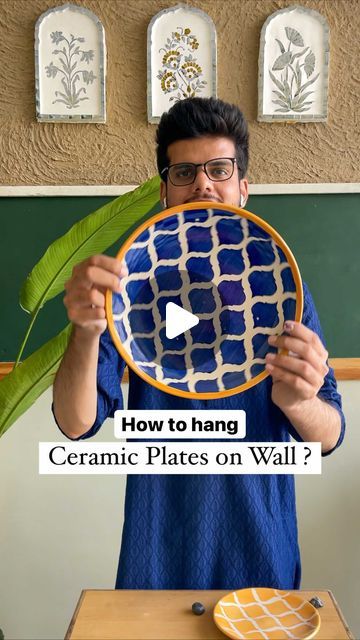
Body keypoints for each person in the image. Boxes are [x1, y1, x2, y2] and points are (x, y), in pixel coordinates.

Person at [53, 97, 345, 590]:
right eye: (184, 172)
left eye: (218, 169)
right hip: (157, 550)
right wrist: (86, 332)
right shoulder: (133, 278)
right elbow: (76, 424)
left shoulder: (281, 283)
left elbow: (330, 435)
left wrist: (300, 403)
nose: (203, 183)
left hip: (262, 548)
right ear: (165, 191)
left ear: (243, 188)